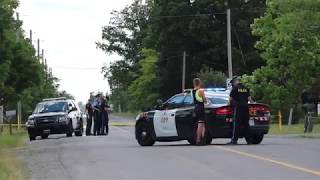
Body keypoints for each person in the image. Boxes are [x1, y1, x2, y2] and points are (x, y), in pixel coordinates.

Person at [228, 76, 253, 145]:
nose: (233, 84)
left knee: (236, 124)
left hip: (238, 108)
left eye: (233, 82)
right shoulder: (246, 88)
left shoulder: (235, 88)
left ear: (235, 81)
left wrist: (229, 105)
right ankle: (249, 140)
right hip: (246, 107)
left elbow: (230, 99)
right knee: (246, 124)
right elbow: (249, 99)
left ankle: (234, 140)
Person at [192, 78, 207, 145]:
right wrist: (205, 100)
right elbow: (205, 100)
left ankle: (203, 139)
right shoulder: (201, 91)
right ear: (200, 83)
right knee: (200, 124)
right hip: (201, 107)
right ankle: (198, 140)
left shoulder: (193, 91)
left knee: (202, 124)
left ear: (194, 83)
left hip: (196, 107)